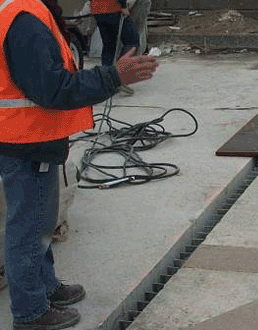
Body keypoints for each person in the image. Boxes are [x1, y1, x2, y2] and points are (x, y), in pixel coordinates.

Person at [0, 0, 158, 328]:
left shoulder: (25, 9)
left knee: (41, 220)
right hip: (26, 140)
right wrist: (113, 76)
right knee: (28, 228)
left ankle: (45, 286)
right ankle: (30, 312)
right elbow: (53, 89)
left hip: (31, 136)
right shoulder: (24, 18)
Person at [91, 0, 141, 94]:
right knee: (132, 41)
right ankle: (120, 76)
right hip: (113, 7)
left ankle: (106, 81)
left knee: (109, 45)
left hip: (97, 10)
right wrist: (123, 6)